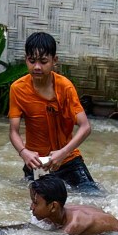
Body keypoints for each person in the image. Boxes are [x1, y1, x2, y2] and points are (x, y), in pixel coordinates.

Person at [8, 32, 99, 193]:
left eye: (43, 62)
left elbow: (85, 127)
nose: (37, 67)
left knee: (94, 197)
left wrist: (63, 153)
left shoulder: (65, 87)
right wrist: (24, 152)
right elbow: (13, 132)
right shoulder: (17, 89)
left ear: (54, 61)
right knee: (38, 204)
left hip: (68, 159)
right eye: (32, 61)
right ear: (26, 60)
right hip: (37, 162)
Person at [28, 174, 118, 235]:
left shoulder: (74, 225)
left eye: (35, 203)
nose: (31, 207)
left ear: (53, 207)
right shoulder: (57, 211)